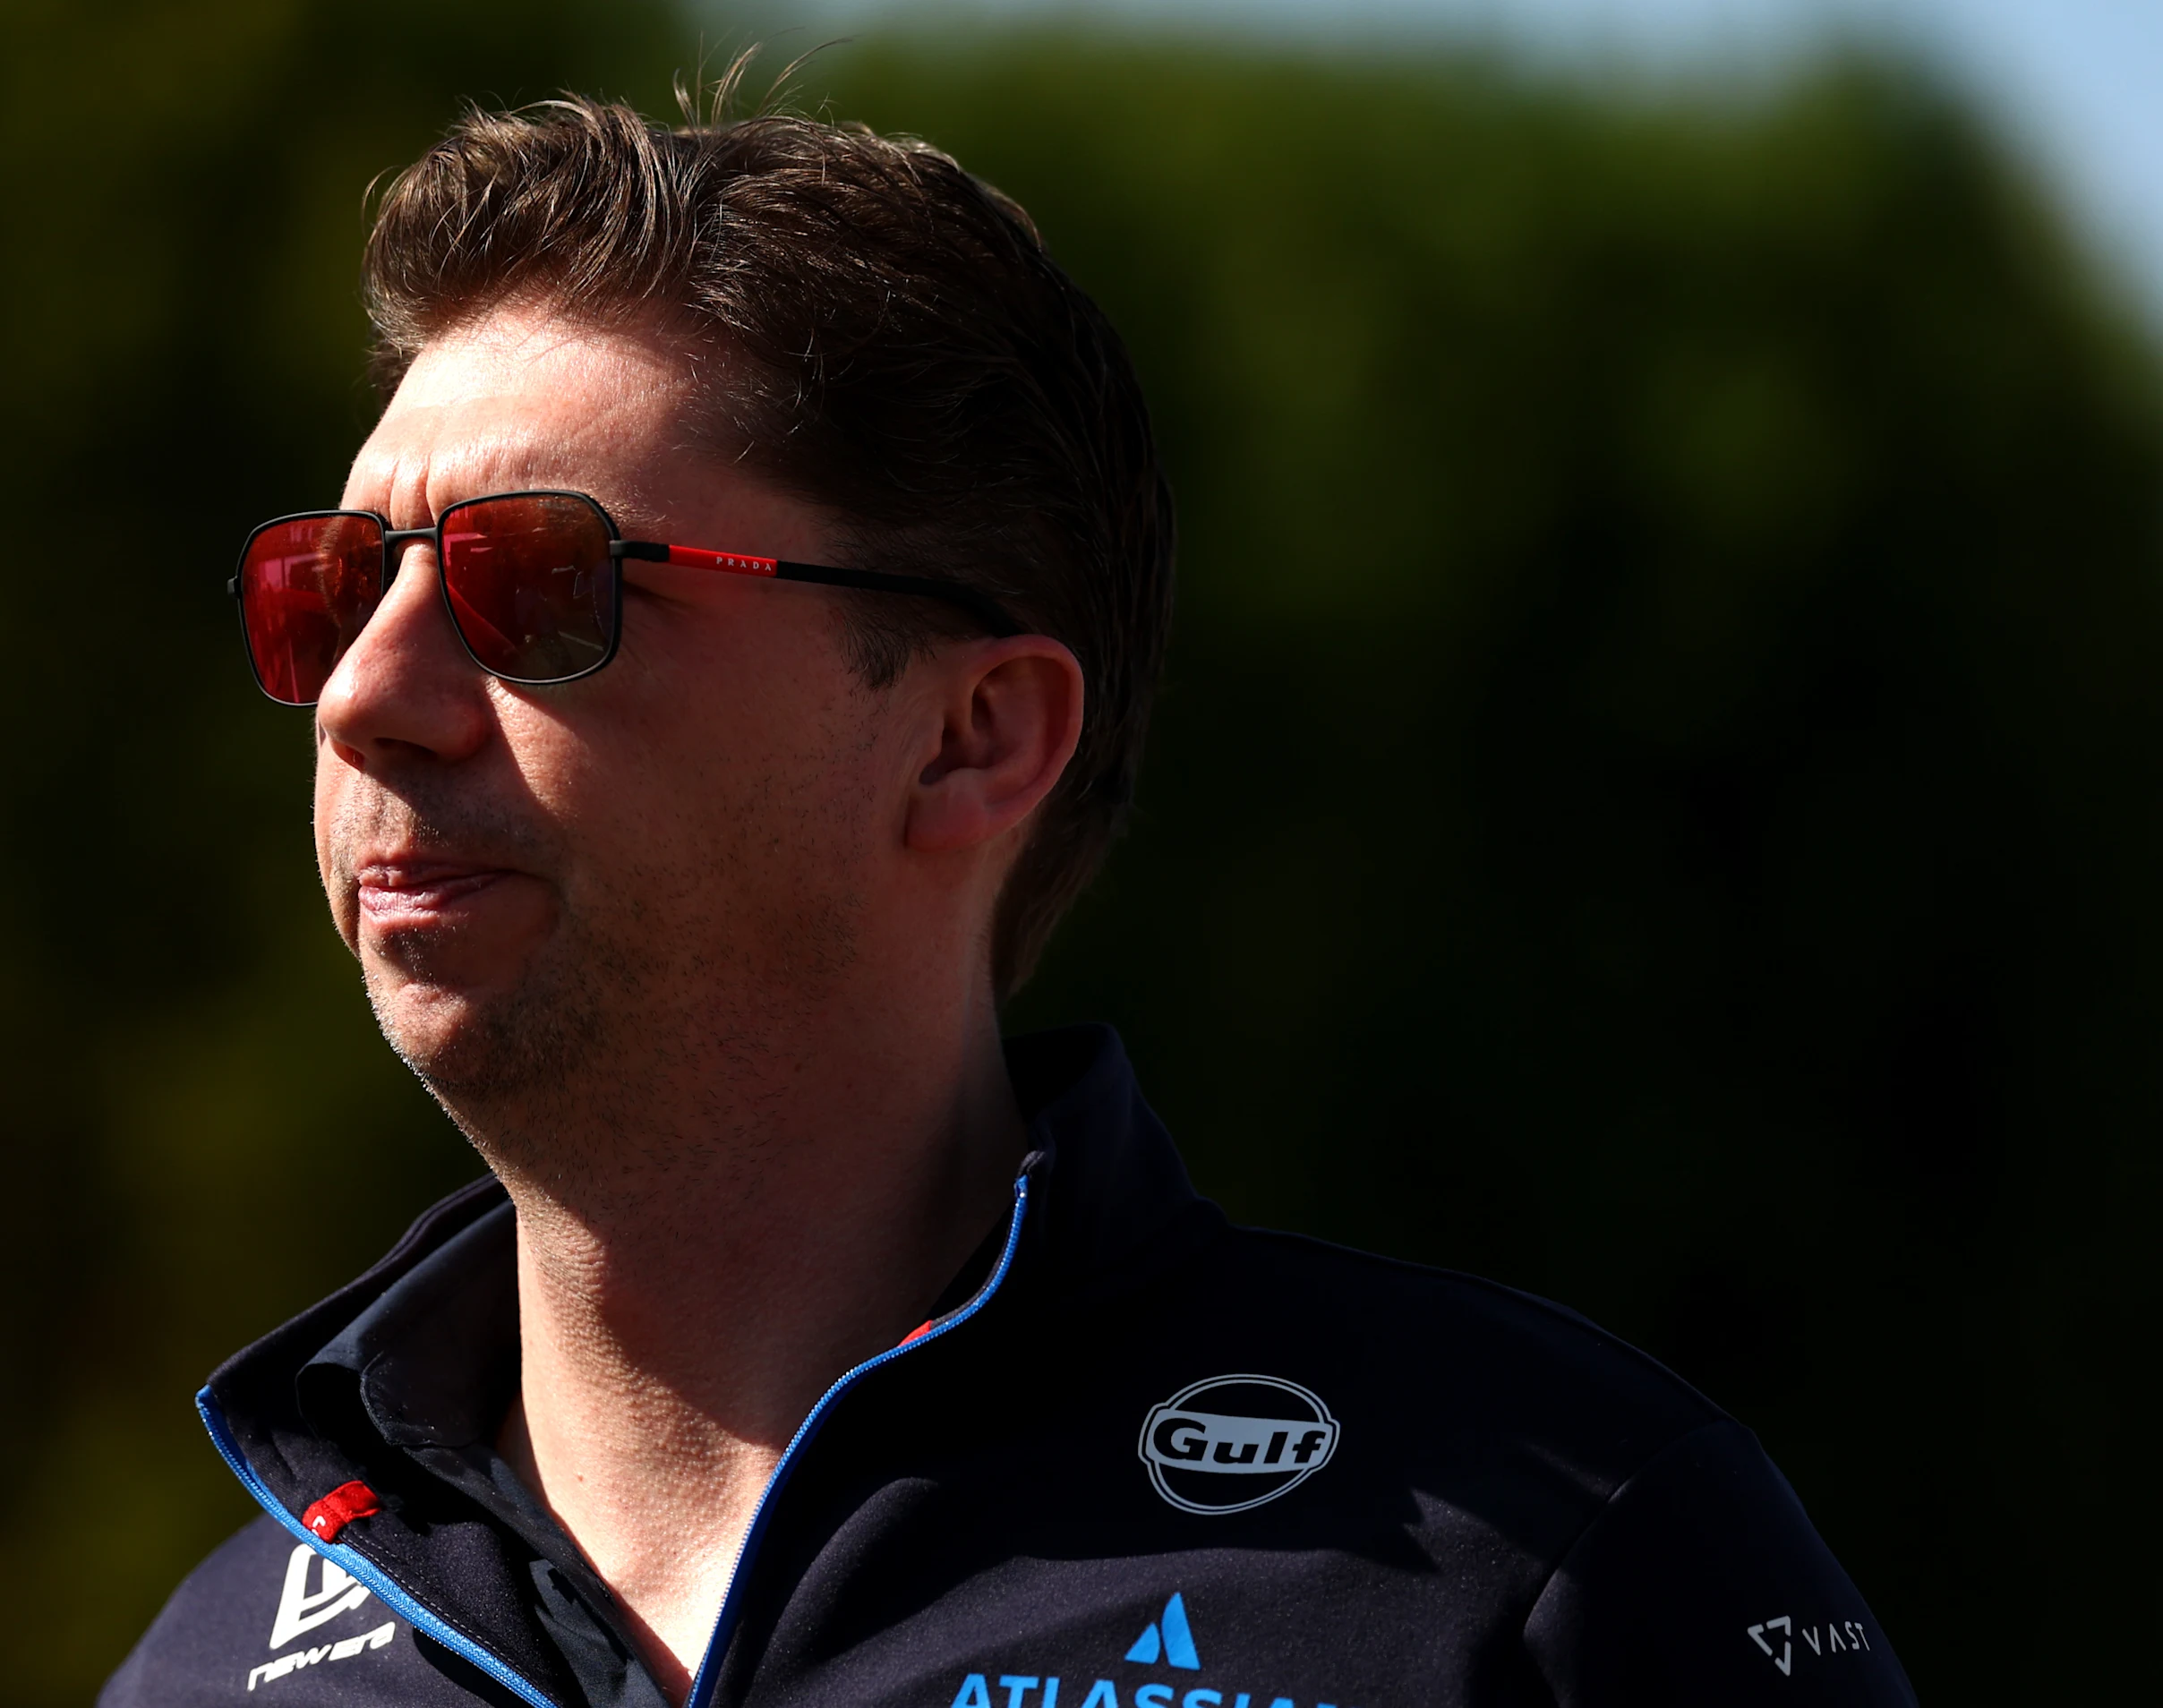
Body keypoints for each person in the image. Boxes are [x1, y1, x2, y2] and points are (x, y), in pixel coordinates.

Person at [108, 92, 1914, 1708]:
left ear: (973, 738)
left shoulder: (1539, 1564)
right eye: (329, 591)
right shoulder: (207, 1670)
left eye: (535, 587)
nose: (362, 692)